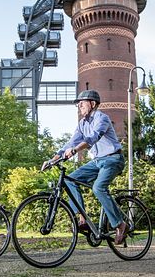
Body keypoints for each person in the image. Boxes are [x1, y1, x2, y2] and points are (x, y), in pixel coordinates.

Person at [48, 90, 128, 245]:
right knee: (70, 180)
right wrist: (52, 160)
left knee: (98, 188)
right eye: (78, 104)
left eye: (82, 103)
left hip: (113, 159)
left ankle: (120, 224)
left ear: (92, 104)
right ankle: (82, 218)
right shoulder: (82, 124)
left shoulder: (102, 118)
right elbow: (70, 143)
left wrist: (76, 150)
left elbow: (93, 138)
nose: (79, 106)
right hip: (98, 161)